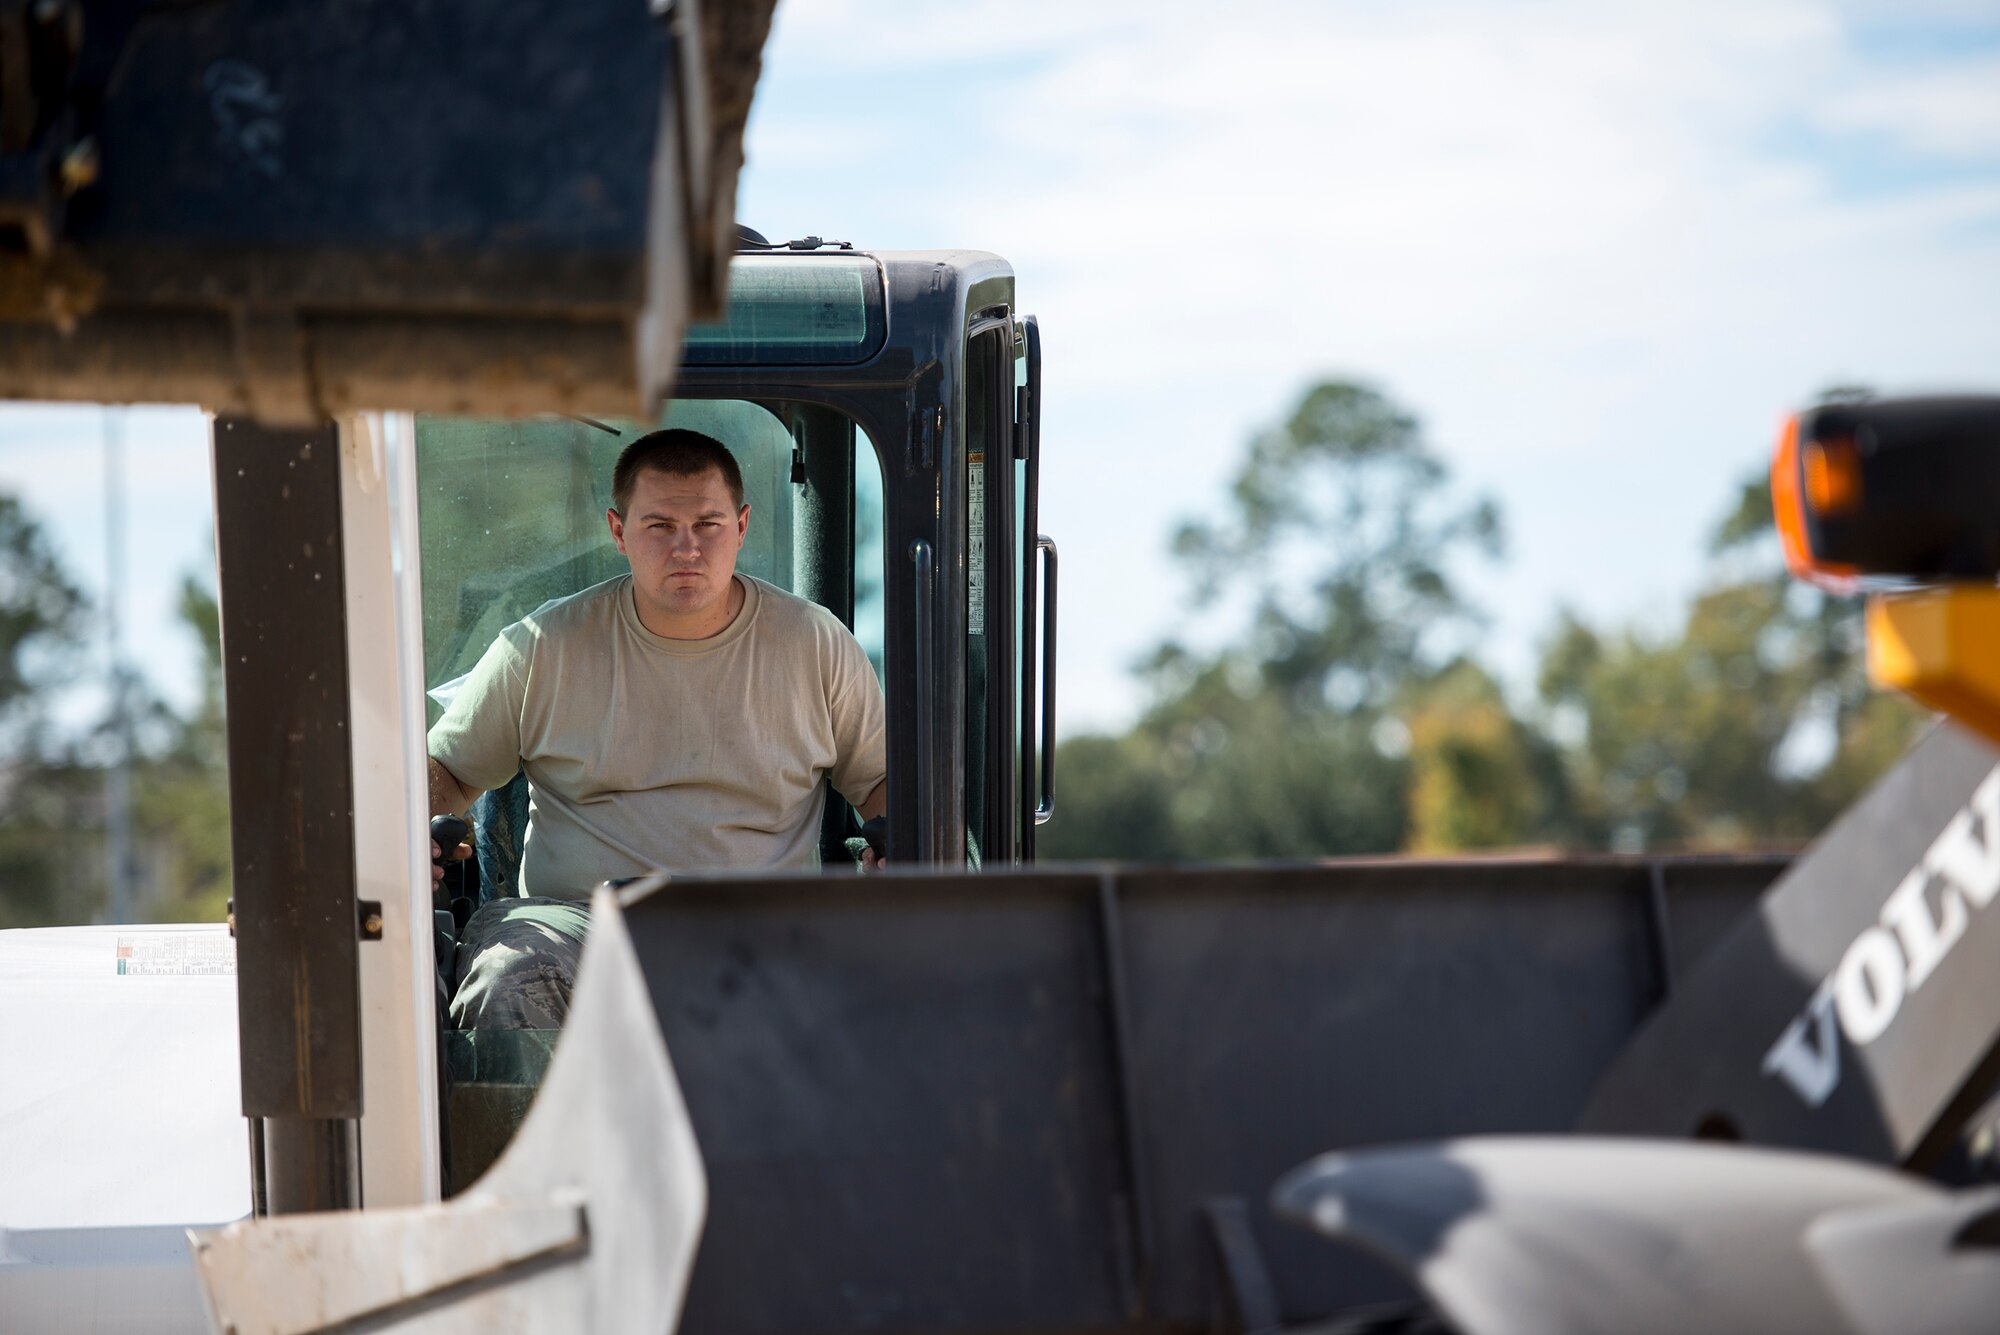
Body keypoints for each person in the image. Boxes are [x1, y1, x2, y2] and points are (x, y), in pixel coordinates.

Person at [427, 428, 887, 1027]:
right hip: (581, 927)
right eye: (660, 526)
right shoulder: (543, 648)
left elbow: (881, 784)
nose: (687, 549)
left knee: (873, 988)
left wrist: (893, 844)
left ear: (742, 527)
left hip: (766, 930)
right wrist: (419, 837)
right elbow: (448, 774)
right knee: (504, 977)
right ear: (619, 532)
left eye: (708, 525)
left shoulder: (815, 644)